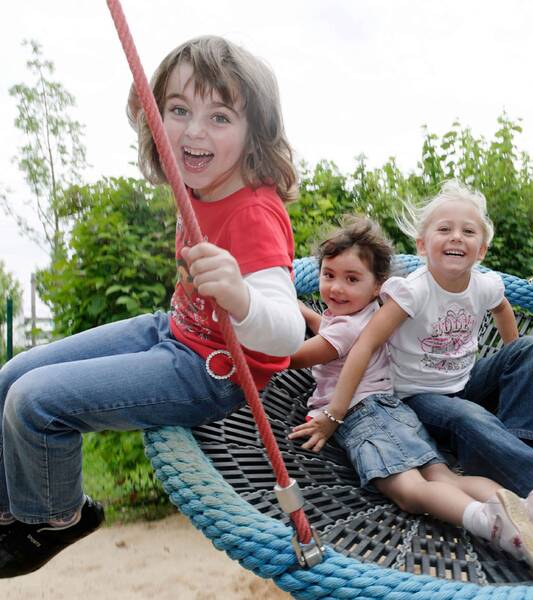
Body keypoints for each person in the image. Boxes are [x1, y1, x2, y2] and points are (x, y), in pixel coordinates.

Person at [0, 36, 305, 577]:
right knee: (11, 372)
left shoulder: (253, 211)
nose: (193, 131)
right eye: (179, 110)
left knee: (33, 401)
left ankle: (54, 517)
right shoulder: (197, 184)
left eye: (219, 116)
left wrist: (239, 295)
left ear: (255, 130)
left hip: (213, 371)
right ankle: (8, 510)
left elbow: (284, 335)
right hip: (175, 332)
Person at [293, 180, 533, 532]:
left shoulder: (485, 284)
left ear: (481, 250)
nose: (456, 237)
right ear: (422, 245)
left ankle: (523, 448)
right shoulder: (413, 292)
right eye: (444, 229)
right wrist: (335, 414)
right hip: (416, 397)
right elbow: (364, 344)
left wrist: (511, 372)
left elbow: (503, 311)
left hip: (463, 382)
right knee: (469, 417)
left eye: (468, 231)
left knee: (530, 350)